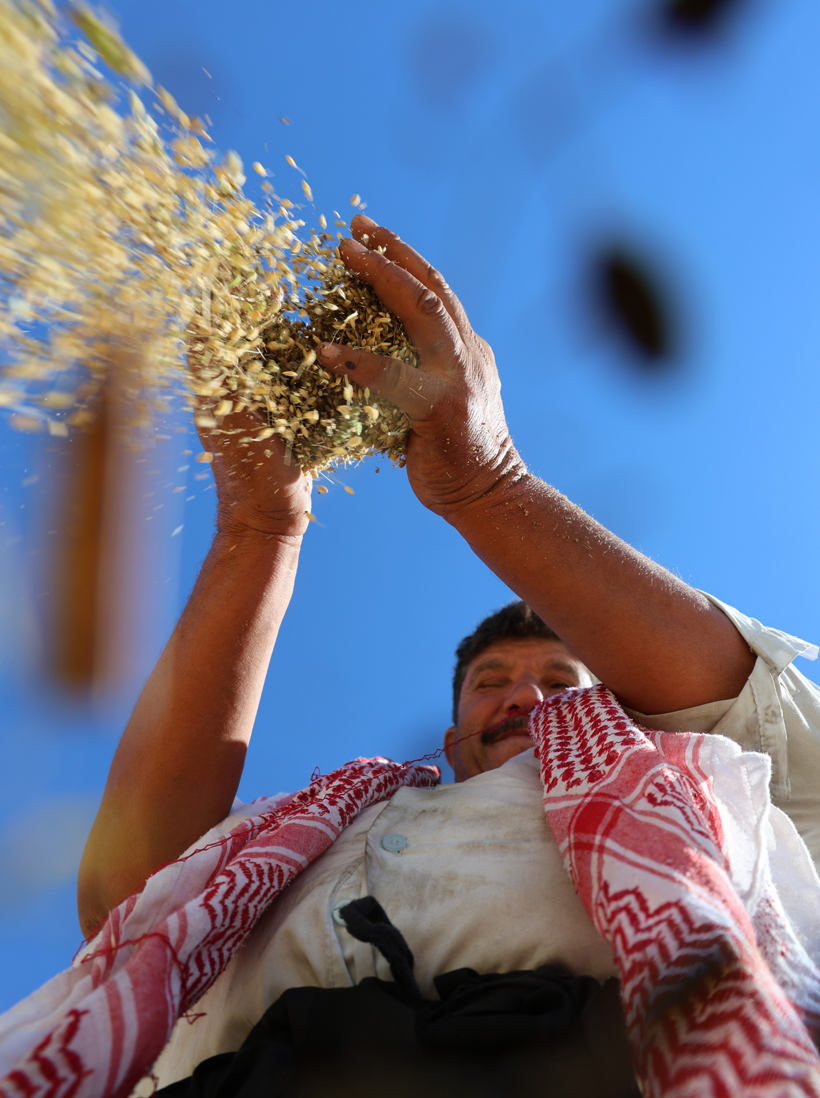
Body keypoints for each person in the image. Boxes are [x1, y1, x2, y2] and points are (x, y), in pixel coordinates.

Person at [76, 215, 820, 1092]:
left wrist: (488, 482)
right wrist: (260, 523)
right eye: (491, 680)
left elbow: (727, 691)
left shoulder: (714, 785)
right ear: (455, 722)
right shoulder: (310, 839)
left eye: (562, 679)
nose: (526, 696)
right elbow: (134, 895)